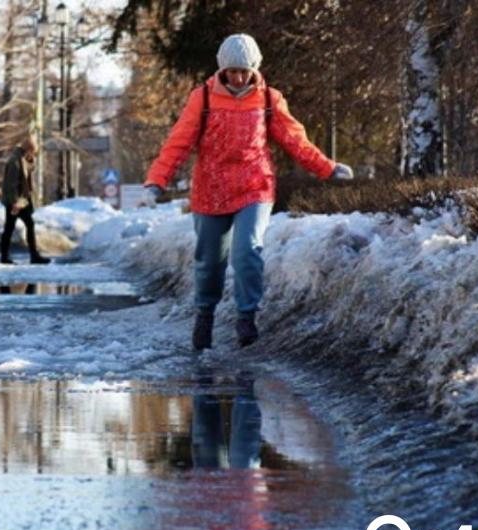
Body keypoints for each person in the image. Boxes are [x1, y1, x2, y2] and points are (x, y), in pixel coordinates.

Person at [144, 33, 354, 350]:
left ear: (254, 69)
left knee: (247, 251)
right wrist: (156, 180)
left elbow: (295, 141)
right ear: (222, 70)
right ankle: (205, 315)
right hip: (210, 189)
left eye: (245, 71)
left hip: (254, 186)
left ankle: (246, 317)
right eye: (232, 71)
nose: (239, 77)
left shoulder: (269, 99)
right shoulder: (202, 98)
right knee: (209, 261)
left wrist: (328, 168)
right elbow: (178, 142)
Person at [0, 137, 51, 265]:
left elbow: (28, 171)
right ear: (28, 149)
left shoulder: (22, 158)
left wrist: (31, 161)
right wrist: (15, 203)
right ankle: (6, 256)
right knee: (10, 227)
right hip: (16, 199)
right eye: (33, 152)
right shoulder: (14, 161)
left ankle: (33, 255)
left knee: (28, 224)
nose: (33, 154)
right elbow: (10, 184)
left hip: (22, 198)